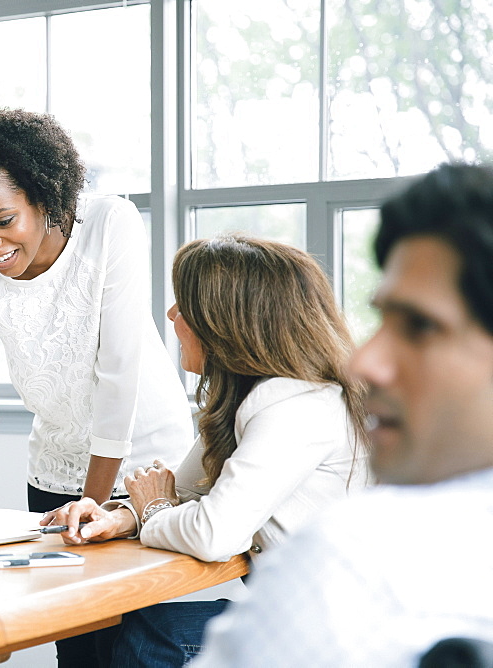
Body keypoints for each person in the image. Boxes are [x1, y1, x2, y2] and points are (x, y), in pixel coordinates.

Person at [190, 163, 493, 666]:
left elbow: (212, 527)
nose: (364, 362)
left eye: (419, 326)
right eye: (382, 321)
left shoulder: (346, 562)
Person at [45, 235, 370, 666]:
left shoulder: (294, 404)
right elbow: (188, 491)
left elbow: (212, 533)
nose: (172, 315)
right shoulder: (252, 396)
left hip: (336, 635)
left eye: (185, 305)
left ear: (224, 323)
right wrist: (121, 515)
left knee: (157, 632)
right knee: (138, 623)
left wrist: (156, 507)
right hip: (307, 614)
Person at [0, 108, 193, 512]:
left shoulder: (109, 223)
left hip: (147, 468)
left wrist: (89, 506)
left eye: (4, 220)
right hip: (53, 473)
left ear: (42, 198)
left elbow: (118, 375)